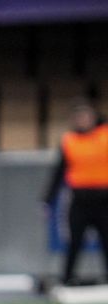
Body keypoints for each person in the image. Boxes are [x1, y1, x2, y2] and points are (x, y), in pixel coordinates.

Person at [42, 99, 108, 286]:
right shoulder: (70, 141)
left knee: (106, 239)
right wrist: (47, 199)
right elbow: (59, 172)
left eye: (86, 117)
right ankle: (68, 277)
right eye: (79, 118)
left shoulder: (105, 136)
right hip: (80, 198)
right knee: (75, 241)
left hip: (104, 198)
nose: (82, 121)